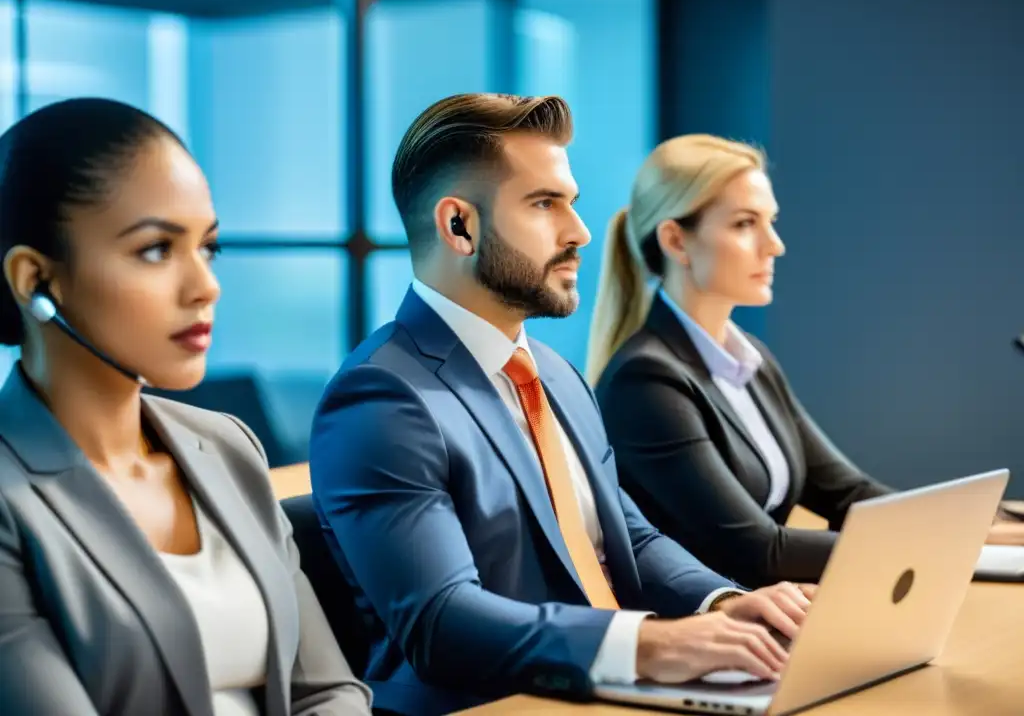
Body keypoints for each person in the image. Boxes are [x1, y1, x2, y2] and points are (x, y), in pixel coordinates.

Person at [310, 94, 814, 716]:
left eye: (570, 203)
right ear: (459, 225)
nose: (578, 231)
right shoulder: (382, 396)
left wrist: (723, 604)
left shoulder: (554, 373)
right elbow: (441, 620)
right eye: (545, 204)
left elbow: (628, 535)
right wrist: (651, 646)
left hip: (609, 690)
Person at [0, 98, 372, 716]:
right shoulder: (11, 502)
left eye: (209, 248)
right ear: (36, 279)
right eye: (155, 250)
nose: (205, 286)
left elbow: (328, 690)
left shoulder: (227, 446)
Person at [587, 133, 1024, 589]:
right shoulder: (647, 381)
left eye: (770, 221)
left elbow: (849, 495)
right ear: (676, 240)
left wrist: (985, 530)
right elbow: (760, 551)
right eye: (744, 224)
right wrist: (948, 543)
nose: (774, 245)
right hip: (714, 634)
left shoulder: (751, 359)